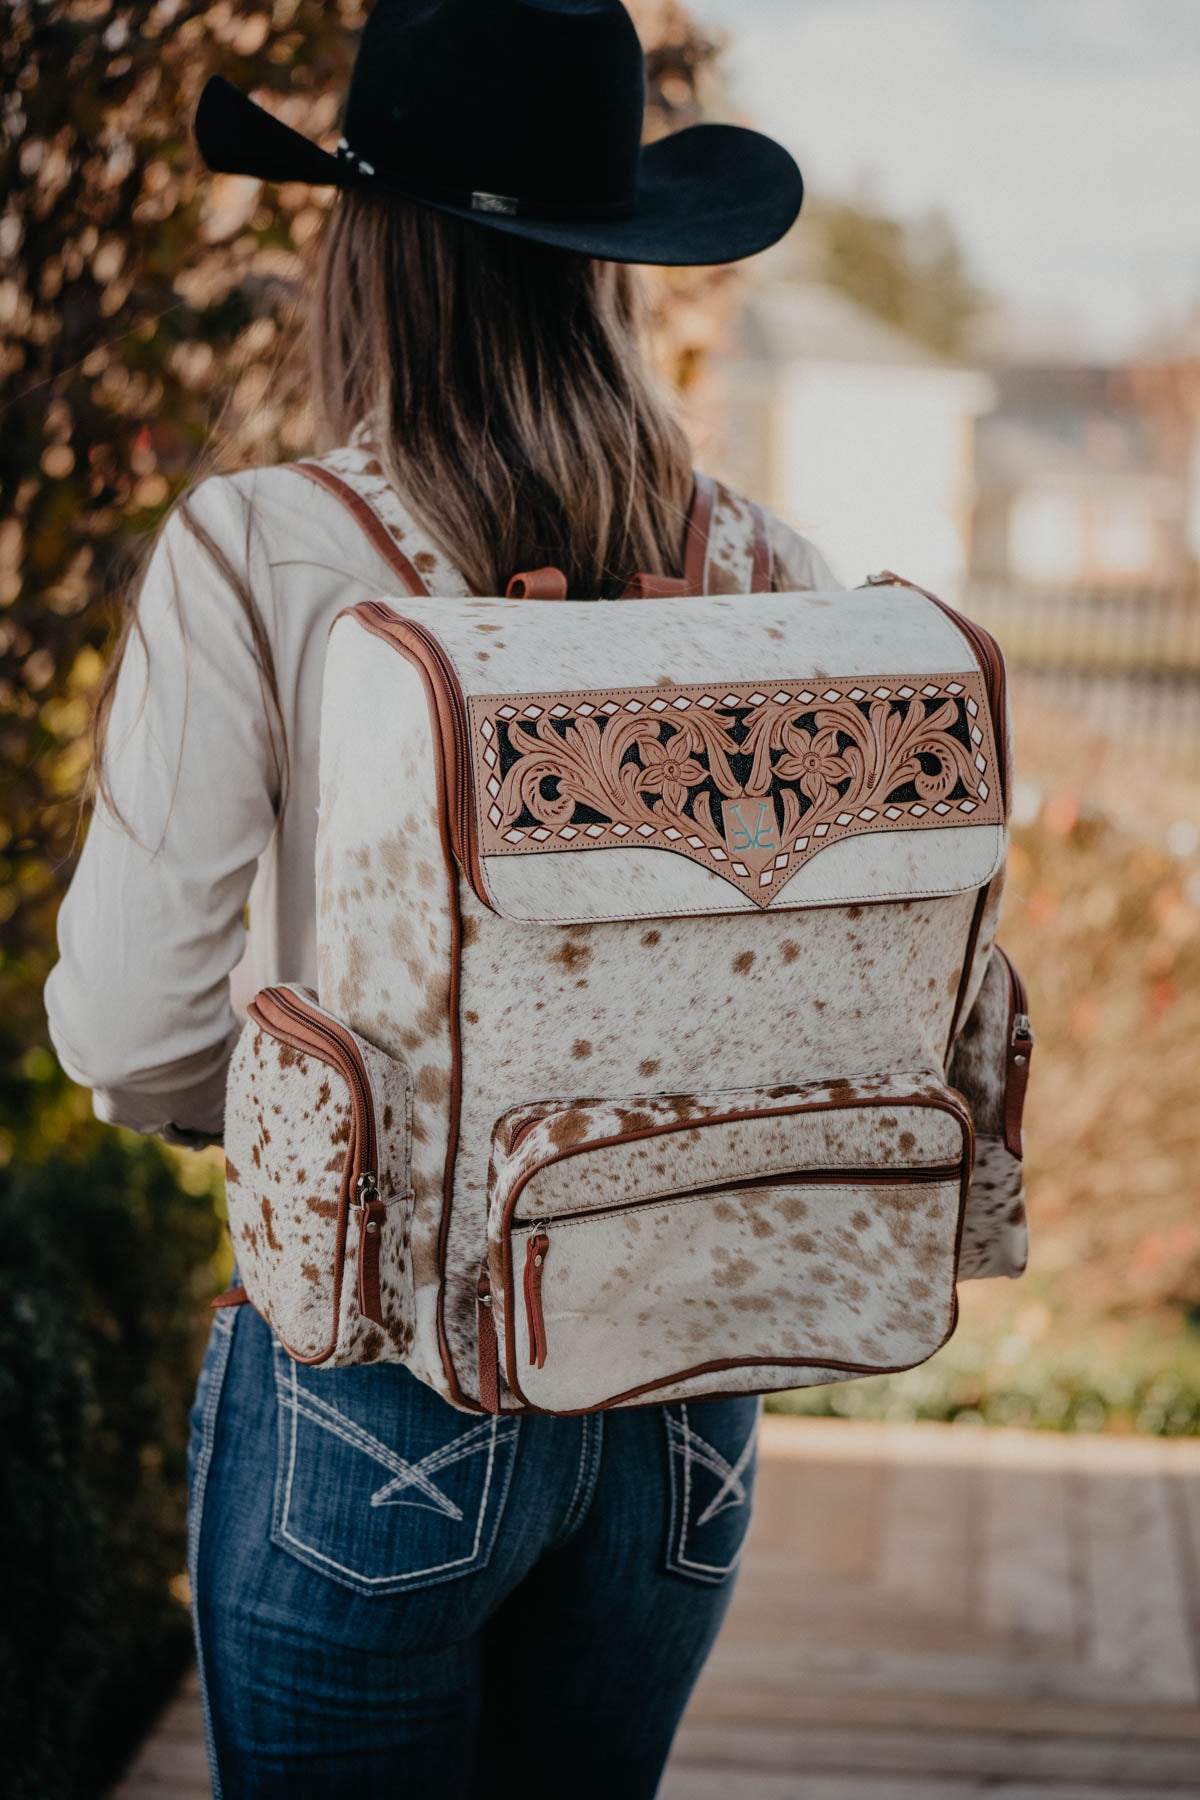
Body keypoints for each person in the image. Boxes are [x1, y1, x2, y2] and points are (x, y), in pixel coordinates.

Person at [46, 2, 840, 1793]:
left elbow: (132, 1026)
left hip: (379, 1380)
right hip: (690, 1389)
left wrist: (230, 1124)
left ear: (366, 251)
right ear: (615, 266)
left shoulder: (260, 550)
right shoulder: (770, 565)